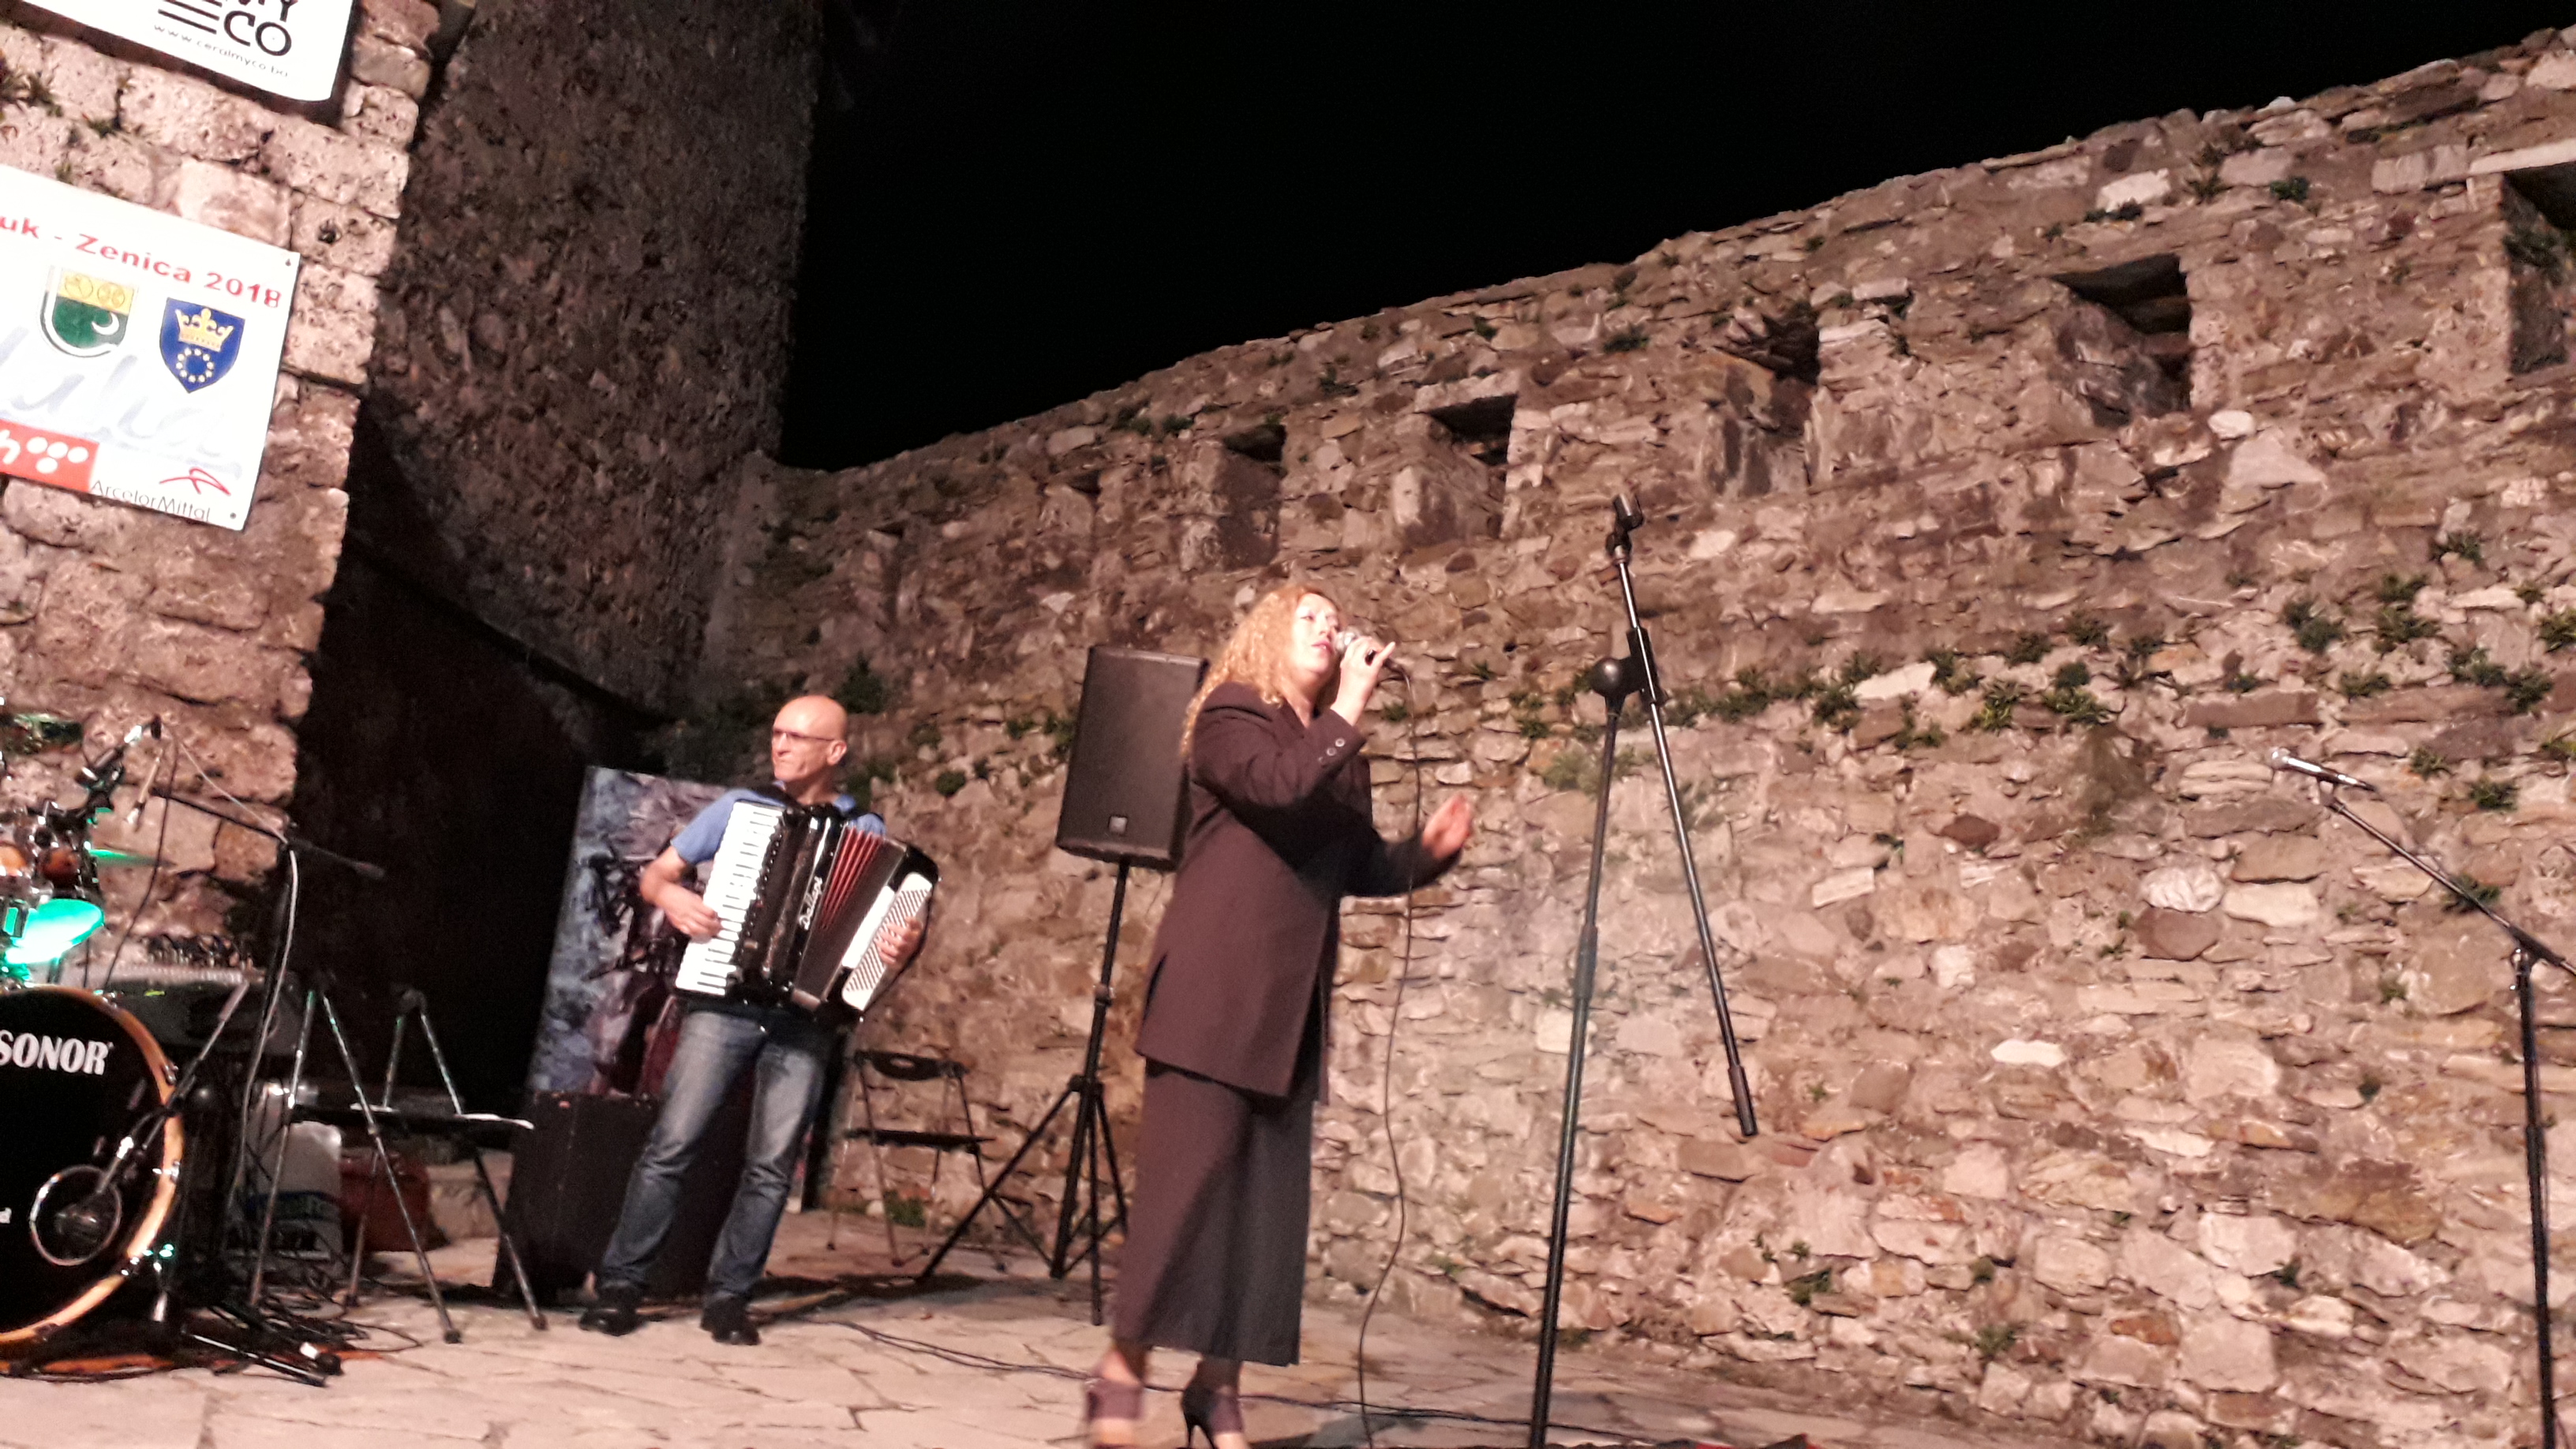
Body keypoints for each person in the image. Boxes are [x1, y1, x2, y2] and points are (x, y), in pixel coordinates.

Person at [1084, 583, 1474, 1448]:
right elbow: (1278, 787)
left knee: (1261, 1218)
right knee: (1186, 1194)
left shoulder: (1337, 750)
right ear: (1268, 633)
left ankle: (1217, 1389)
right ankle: (1123, 1367)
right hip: (1214, 994)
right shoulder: (1232, 714)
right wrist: (1348, 709)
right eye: (1310, 617)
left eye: (1335, 621)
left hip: (1288, 1009)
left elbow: (1356, 865)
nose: (1329, 630)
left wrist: (1426, 855)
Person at [578, 694, 923, 1346]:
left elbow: (886, 936)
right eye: (777, 733)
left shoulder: (866, 830)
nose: (780, 745)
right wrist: (675, 898)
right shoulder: (739, 809)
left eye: (797, 736)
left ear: (835, 752)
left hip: (803, 1020)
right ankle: (623, 1285)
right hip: (722, 999)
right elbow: (656, 876)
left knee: (771, 1166)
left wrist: (902, 942)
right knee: (672, 1146)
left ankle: (730, 1297)